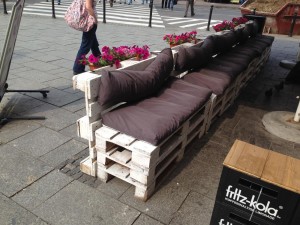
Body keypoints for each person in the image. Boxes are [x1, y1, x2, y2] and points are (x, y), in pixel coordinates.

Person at [73, 0, 101, 75]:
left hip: (87, 20)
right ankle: (77, 68)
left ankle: (100, 60)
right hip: (90, 21)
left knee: (93, 44)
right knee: (85, 45)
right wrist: (95, 19)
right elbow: (88, 7)